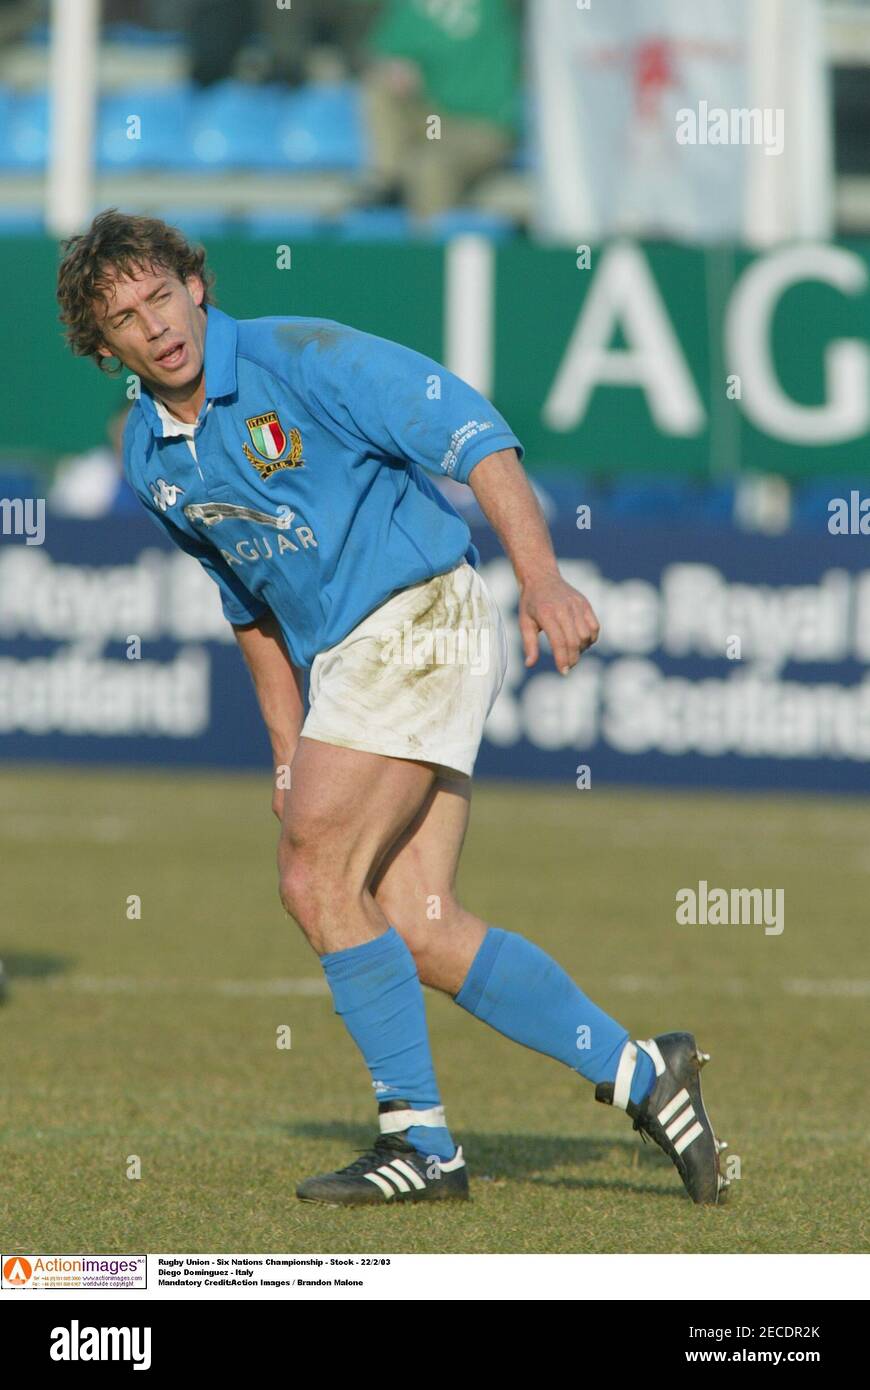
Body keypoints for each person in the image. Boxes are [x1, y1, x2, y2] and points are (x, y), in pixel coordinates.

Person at [55, 209, 727, 1206]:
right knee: (417, 922)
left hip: (418, 616)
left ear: (196, 285)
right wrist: (287, 752)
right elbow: (248, 606)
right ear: (102, 346)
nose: (154, 324)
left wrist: (541, 579)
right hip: (356, 660)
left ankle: (421, 1141)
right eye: (124, 316)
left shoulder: (298, 356)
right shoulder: (152, 459)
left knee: (311, 874)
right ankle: (643, 1071)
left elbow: (473, 431)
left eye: (161, 294)